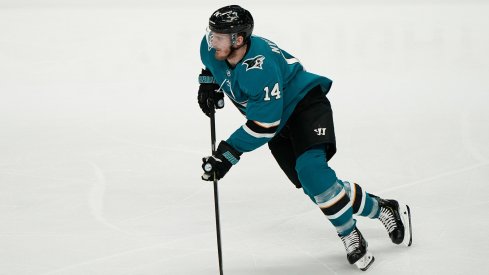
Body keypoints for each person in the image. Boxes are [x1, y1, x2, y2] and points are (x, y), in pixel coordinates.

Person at [197, 5, 412, 271]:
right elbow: (210, 65)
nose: (211, 40)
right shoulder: (211, 48)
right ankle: (383, 209)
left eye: (218, 36)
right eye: (211, 33)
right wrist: (207, 83)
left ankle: (349, 234)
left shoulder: (259, 69)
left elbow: (264, 126)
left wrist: (228, 154)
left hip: (304, 106)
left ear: (238, 39)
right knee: (319, 187)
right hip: (276, 118)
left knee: (312, 173)